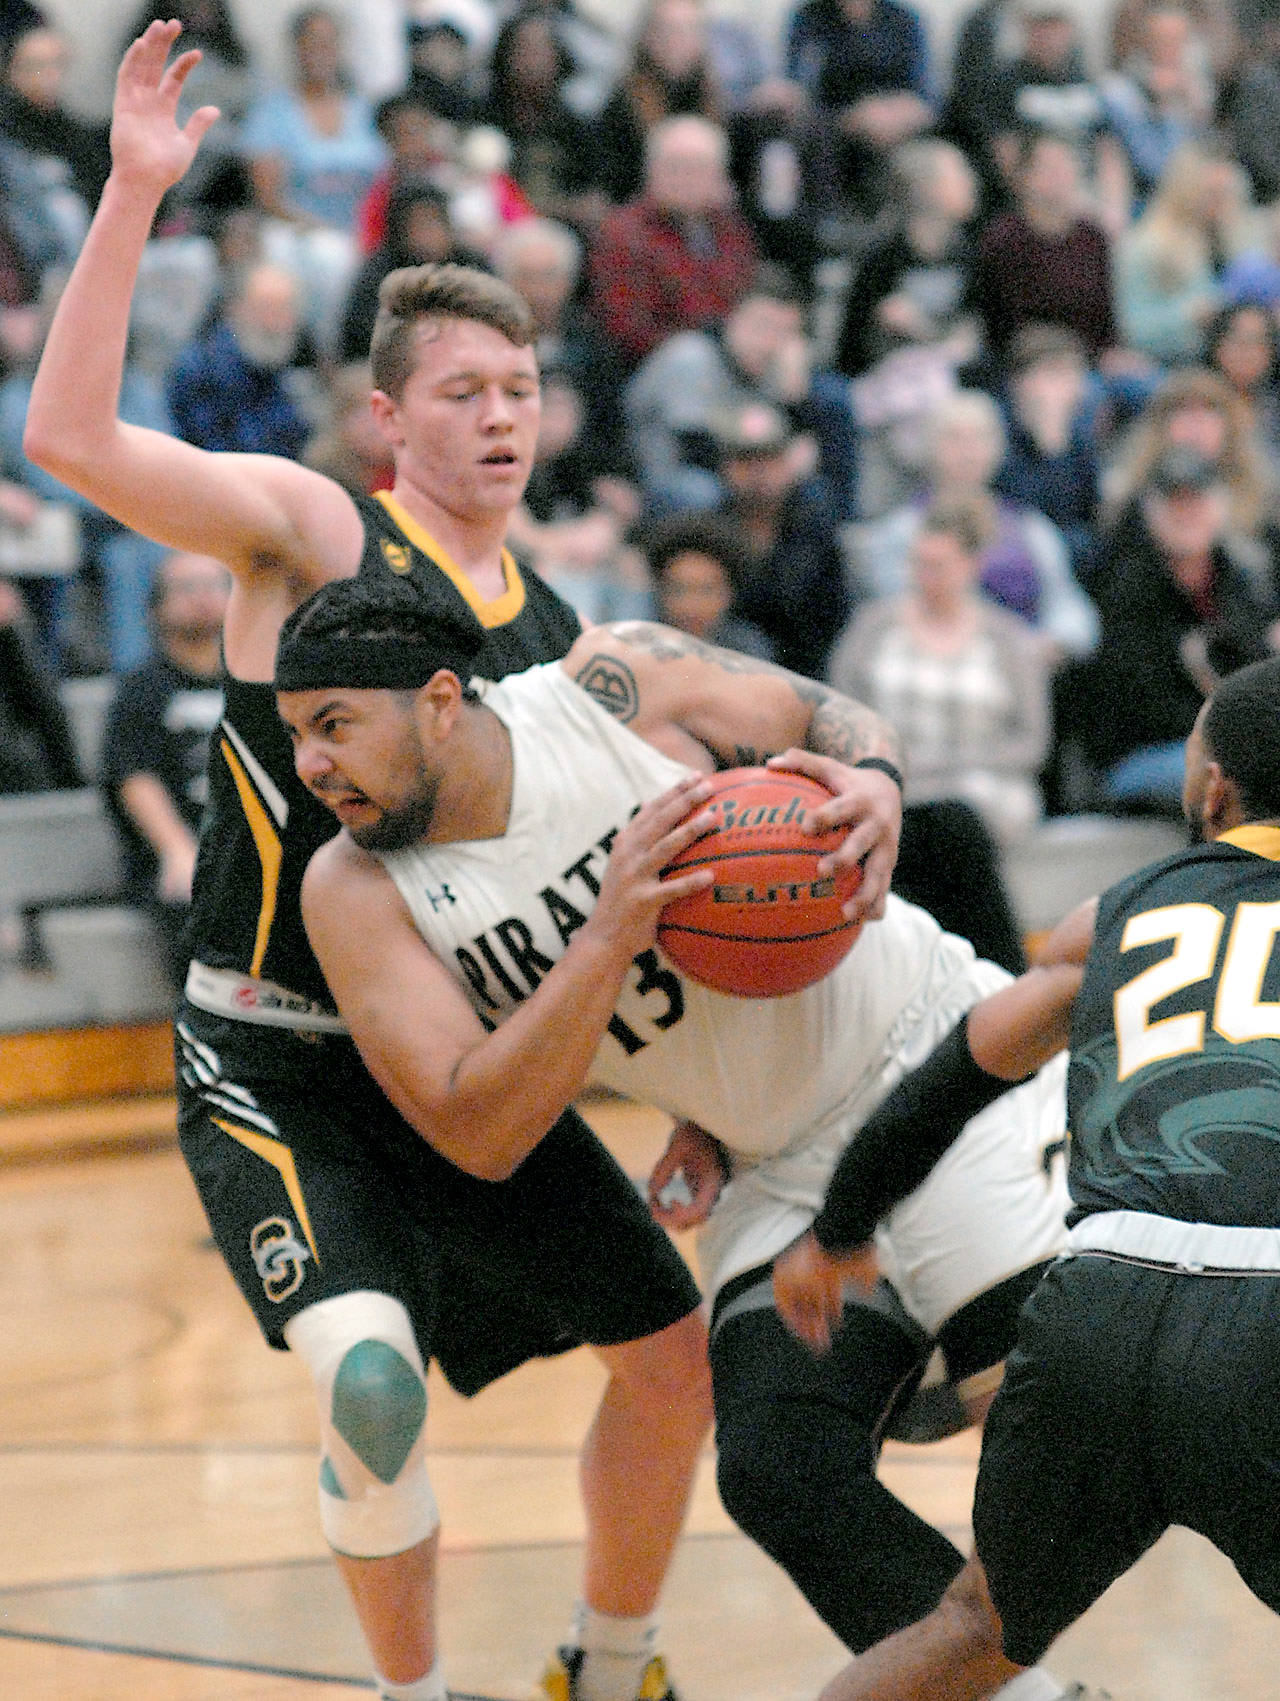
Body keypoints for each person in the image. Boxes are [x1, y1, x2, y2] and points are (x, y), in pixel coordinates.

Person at [21, 24, 727, 1701]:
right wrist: (129, 197)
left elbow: (636, 888)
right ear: (387, 414)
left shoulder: (557, 638)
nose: (498, 419)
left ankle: (608, 1661)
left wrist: (703, 1088)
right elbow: (66, 440)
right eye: (463, 393)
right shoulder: (317, 531)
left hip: (464, 1069)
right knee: (371, 1384)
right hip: (276, 1050)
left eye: (522, 389)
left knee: (676, 1359)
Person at [271, 572, 1092, 1701]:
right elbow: (479, 1131)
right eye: (294, 733)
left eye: (334, 725)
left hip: (942, 1073)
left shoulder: (609, 684)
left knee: (1066, 1445)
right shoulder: (356, 890)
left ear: (440, 700)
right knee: (774, 1467)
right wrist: (607, 931)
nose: (311, 762)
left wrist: (873, 784)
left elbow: (827, 718)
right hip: (776, 1169)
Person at [784, 652, 1280, 1701]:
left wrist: (837, 1229)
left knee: (970, 1629)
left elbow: (948, 1078)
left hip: (1095, 1301)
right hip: (1266, 1322)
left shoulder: (1108, 918)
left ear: (1209, 791)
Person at [99, 550, 230, 993]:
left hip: (256, 846)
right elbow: (134, 777)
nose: (204, 599)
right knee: (193, 896)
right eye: (187, 588)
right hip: (184, 853)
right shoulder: (141, 689)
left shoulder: (259, 684)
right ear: (156, 609)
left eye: (216, 585)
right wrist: (177, 849)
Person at [587, 113, 760, 369]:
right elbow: (629, 329)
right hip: (654, 366)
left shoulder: (731, 231)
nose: (686, 178)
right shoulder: (623, 233)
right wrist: (721, 346)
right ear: (651, 171)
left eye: (699, 168)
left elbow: (747, 298)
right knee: (692, 358)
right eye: (675, 166)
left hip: (735, 359)